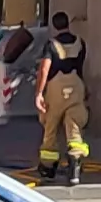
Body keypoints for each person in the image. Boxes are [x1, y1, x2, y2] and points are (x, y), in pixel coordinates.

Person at [30, 11, 88, 182]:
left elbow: (44, 69)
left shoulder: (51, 44)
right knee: (74, 124)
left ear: (55, 26)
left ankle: (48, 167)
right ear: (67, 24)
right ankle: (75, 167)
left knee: (51, 125)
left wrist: (39, 93)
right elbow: (81, 67)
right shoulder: (80, 43)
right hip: (76, 85)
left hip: (56, 87)